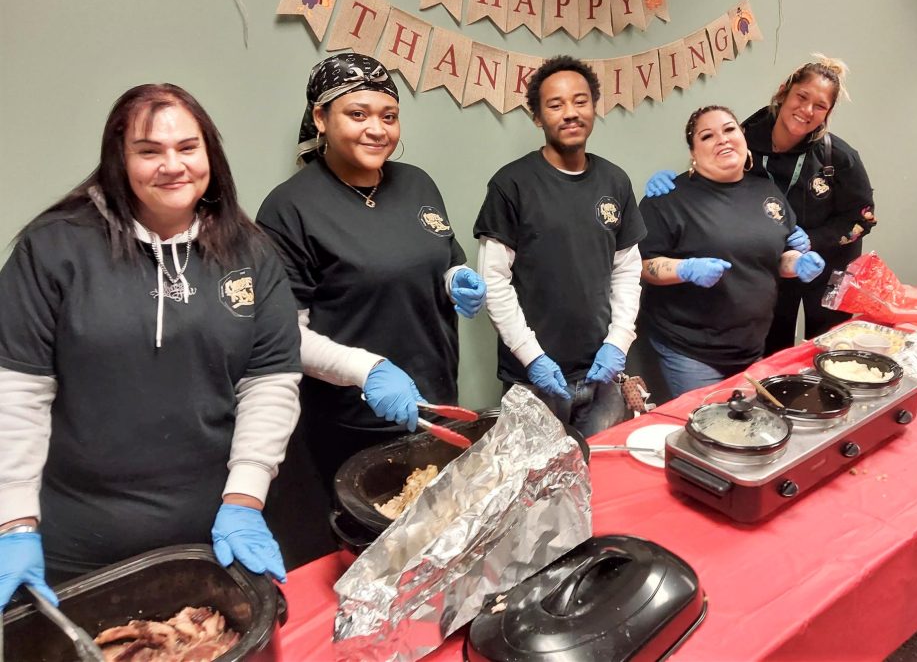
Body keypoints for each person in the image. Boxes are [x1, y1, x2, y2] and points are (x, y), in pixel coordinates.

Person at [0, 84, 301, 608]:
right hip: (75, 539)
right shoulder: (53, 247)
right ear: (118, 158)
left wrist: (246, 498)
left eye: (188, 148)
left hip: (212, 529)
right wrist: (14, 520)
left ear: (210, 153)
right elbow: (17, 392)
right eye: (149, 151)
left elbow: (270, 381)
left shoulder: (250, 251)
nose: (172, 165)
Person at [256, 54, 485, 563]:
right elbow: (282, 335)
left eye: (388, 115)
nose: (377, 129)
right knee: (376, 561)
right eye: (358, 114)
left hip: (433, 401)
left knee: (437, 545)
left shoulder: (418, 183)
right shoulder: (289, 208)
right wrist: (367, 369)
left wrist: (455, 278)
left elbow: (441, 256)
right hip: (351, 424)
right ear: (321, 118)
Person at [644, 55, 875, 354]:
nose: (807, 111)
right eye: (801, 97)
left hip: (826, 263)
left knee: (832, 345)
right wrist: (672, 182)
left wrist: (811, 242)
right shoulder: (745, 136)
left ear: (828, 113)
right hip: (772, 260)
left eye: (819, 106)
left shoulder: (838, 156)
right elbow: (713, 165)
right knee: (774, 346)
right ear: (784, 92)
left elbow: (863, 218)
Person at [473, 55, 646, 436]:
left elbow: (628, 270)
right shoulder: (511, 185)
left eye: (580, 101)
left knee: (603, 479)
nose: (570, 113)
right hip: (534, 380)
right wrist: (532, 358)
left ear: (594, 108)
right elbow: (494, 283)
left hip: (604, 376)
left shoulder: (615, 182)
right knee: (535, 486)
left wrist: (618, 343)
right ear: (537, 117)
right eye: (556, 104)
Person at [639, 105, 826, 396]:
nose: (723, 139)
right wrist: (685, 270)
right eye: (707, 136)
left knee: (747, 428)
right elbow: (645, 265)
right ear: (693, 152)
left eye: (729, 129)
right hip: (691, 351)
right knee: (711, 431)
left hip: (751, 346)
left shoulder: (767, 192)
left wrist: (798, 263)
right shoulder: (667, 199)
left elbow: (775, 258)